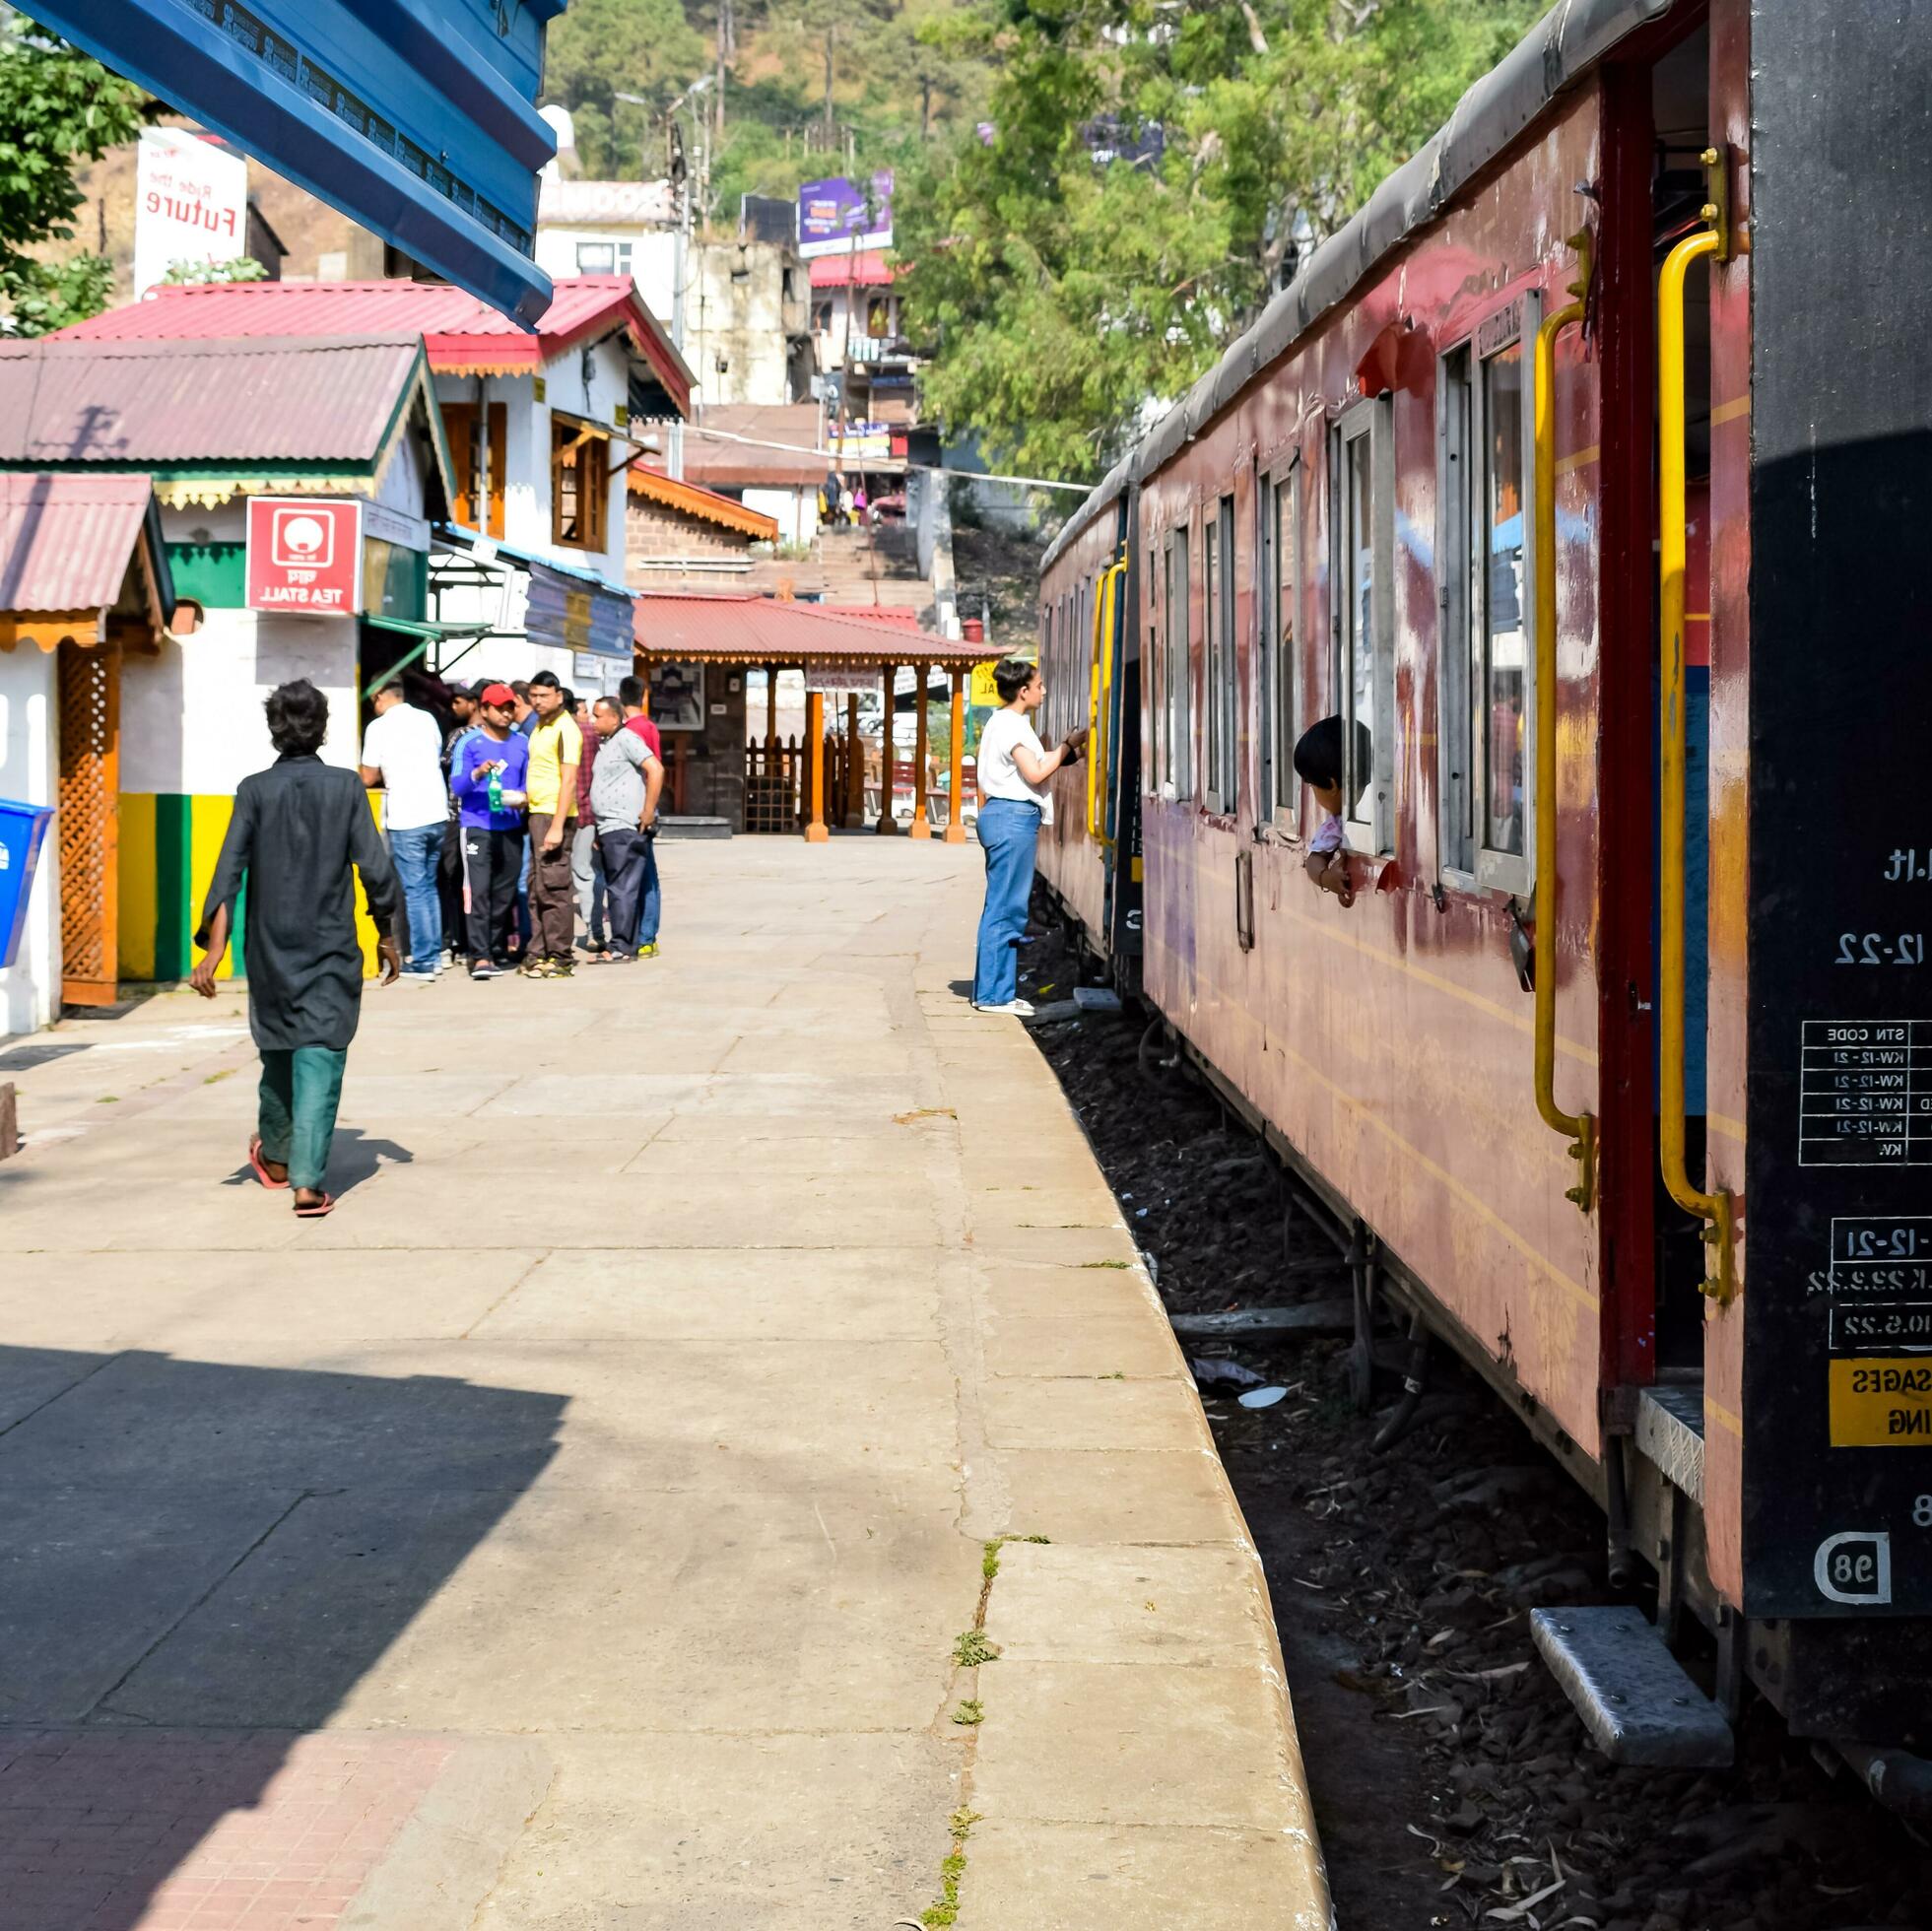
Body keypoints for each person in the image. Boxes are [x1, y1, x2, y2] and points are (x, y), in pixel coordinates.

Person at [190, 679, 400, 1218]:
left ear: (273, 730)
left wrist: (214, 951)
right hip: (329, 946)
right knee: (320, 1053)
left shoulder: (254, 790)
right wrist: (386, 933)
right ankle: (306, 1183)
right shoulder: (346, 787)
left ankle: (279, 1159)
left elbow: (228, 870)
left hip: (269, 948)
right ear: (324, 729)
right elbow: (375, 868)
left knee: (280, 1049)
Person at [971, 657, 1085, 1015]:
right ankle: (993, 995)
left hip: (1005, 817)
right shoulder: (1012, 726)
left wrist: (1067, 752)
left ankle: (995, 991)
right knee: (1006, 908)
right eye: (1039, 686)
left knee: (1003, 905)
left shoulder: (1002, 722)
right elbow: (1035, 773)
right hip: (1012, 818)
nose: (1044, 691)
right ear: (1023, 691)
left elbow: (1032, 765)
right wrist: (1065, 746)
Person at [358, 678, 449, 981]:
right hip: (436, 812)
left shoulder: (378, 727)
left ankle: (422, 962)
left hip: (407, 816)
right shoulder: (427, 719)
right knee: (429, 887)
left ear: (381, 696)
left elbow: (368, 777)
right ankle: (434, 956)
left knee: (415, 890)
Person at [450, 684, 530, 978]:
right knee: (478, 891)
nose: (505, 713)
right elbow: (457, 786)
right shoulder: (468, 743)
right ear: (484, 710)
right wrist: (478, 773)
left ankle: (495, 948)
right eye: (499, 708)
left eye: (510, 708)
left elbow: (527, 782)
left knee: (505, 892)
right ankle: (480, 955)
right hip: (477, 826)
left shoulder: (522, 742)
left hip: (510, 826)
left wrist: (524, 797)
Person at [588, 696, 665, 960]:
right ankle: (625, 943)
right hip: (608, 826)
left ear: (614, 718)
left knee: (622, 888)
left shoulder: (626, 739)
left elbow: (655, 769)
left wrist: (648, 810)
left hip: (624, 824)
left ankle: (622, 946)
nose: (593, 721)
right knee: (619, 886)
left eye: (598, 716)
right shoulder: (605, 745)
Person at [522, 668, 583, 977]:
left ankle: (560, 956)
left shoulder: (566, 729)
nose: (538, 701)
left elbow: (569, 779)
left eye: (544, 695)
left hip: (554, 815)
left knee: (555, 888)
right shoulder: (539, 726)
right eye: (533, 695)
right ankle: (538, 953)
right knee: (537, 887)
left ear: (558, 696)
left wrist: (558, 826)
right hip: (537, 812)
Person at [1293, 715, 1370, 909]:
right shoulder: (1383, 807)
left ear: (1332, 785)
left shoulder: (1336, 824)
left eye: (1312, 785)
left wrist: (1327, 878)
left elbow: (1315, 859)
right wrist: (1328, 879)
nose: (1313, 791)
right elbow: (1315, 861)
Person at [615, 676, 667, 956]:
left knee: (642, 873)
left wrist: (647, 809)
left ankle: (645, 935)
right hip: (644, 805)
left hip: (637, 807)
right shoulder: (649, 727)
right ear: (644, 697)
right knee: (645, 872)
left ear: (619, 697)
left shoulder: (629, 731)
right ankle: (645, 934)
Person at [571, 695, 608, 955]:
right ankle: (593, 929)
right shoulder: (591, 733)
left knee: (576, 874)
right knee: (586, 872)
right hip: (588, 811)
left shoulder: (562, 731)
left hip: (565, 812)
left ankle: (588, 930)